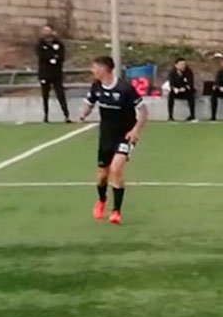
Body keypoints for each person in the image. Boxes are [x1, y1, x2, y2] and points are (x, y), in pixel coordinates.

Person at [77, 55, 147, 226]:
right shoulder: (96, 86)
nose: (92, 70)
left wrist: (136, 130)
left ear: (104, 69)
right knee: (102, 175)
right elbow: (89, 102)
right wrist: (83, 113)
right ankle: (102, 200)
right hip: (106, 136)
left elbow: (143, 112)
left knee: (116, 170)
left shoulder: (125, 89)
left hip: (125, 135)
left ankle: (116, 211)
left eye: (95, 67)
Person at [36, 24, 71, 123]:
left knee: (60, 94)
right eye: (45, 31)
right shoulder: (40, 44)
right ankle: (46, 115)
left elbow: (61, 55)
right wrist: (51, 58)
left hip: (56, 73)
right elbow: (42, 55)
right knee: (45, 95)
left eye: (49, 31)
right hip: (44, 73)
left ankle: (66, 115)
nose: (47, 34)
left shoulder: (58, 43)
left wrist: (55, 58)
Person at [164, 57, 197, 122]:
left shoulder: (188, 72)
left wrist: (184, 88)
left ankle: (192, 115)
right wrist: (175, 89)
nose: (183, 66)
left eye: (184, 64)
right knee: (171, 95)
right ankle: (170, 116)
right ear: (176, 65)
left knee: (191, 95)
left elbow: (190, 84)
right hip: (176, 91)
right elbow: (171, 84)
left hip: (186, 91)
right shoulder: (172, 73)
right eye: (181, 64)